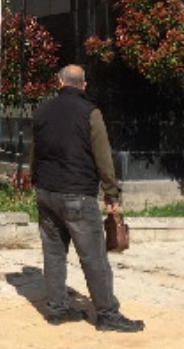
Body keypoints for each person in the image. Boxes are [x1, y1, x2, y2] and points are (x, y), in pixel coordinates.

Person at [29, 64, 145, 333]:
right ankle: (107, 314)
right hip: (77, 194)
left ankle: (57, 309)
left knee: (53, 253)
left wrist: (35, 180)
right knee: (94, 257)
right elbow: (103, 156)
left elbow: (35, 151)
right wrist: (111, 192)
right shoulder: (90, 112)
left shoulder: (41, 111)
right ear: (84, 84)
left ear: (59, 82)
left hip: (46, 192)